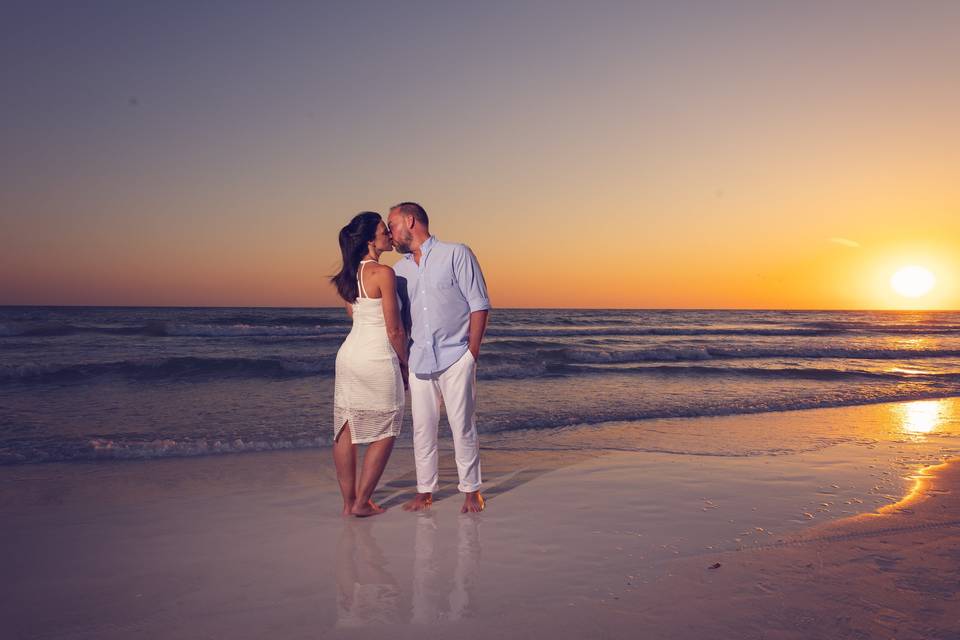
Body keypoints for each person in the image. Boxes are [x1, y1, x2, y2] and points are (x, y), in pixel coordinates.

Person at [387, 202, 490, 514]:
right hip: (419, 360)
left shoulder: (456, 254)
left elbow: (479, 304)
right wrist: (403, 362)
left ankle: (471, 490)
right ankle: (425, 490)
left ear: (410, 221)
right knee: (422, 428)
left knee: (462, 425)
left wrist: (471, 354)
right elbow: (401, 323)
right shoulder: (399, 272)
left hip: (456, 356)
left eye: (392, 225)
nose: (390, 233)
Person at [330, 212, 409, 517]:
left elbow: (354, 315)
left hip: (349, 355)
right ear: (369, 240)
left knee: (346, 427)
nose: (389, 234)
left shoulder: (347, 276)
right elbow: (394, 330)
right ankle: (362, 502)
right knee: (388, 426)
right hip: (376, 356)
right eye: (383, 231)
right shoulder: (383, 273)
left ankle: (348, 503)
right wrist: (405, 364)